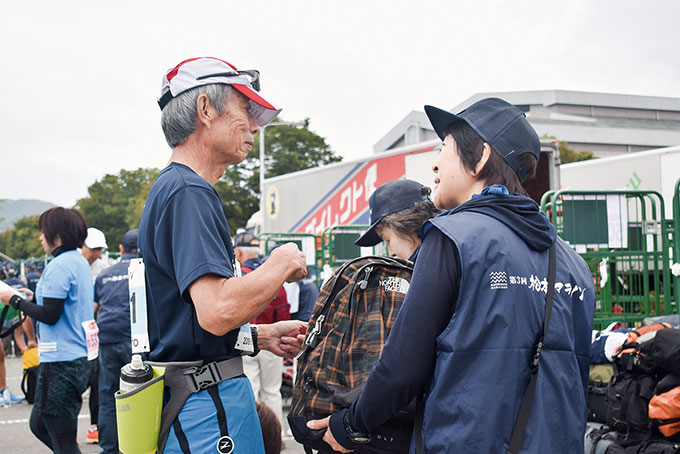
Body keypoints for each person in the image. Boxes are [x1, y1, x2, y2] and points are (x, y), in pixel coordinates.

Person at [308, 98, 595, 453]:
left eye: (444, 147)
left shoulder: (453, 237)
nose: (435, 163)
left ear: (481, 157)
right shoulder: (572, 263)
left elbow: (402, 368)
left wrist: (350, 425)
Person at [138, 56, 309, 453]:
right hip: (204, 405)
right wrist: (280, 263)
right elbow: (215, 312)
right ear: (205, 110)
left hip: (194, 398)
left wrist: (260, 335)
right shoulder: (189, 192)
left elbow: (185, 326)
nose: (253, 126)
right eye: (244, 110)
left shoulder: (173, 188)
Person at [0, 207, 95, 454]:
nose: (41, 237)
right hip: (78, 355)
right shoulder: (78, 261)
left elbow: (50, 316)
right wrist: (32, 297)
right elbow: (60, 304)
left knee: (62, 438)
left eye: (44, 232)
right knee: (40, 424)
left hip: (62, 360)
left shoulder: (59, 265)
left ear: (57, 234)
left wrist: (14, 300)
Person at [235, 232, 290, 429]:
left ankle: (255, 434)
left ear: (238, 252)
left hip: (245, 340)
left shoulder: (236, 276)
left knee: (251, 390)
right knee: (273, 391)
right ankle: (278, 435)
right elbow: (284, 314)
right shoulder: (273, 277)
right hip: (274, 342)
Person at [94, 229, 139, 454]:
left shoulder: (104, 275)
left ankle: (109, 449)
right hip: (136, 341)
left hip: (107, 338)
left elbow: (94, 311)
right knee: (143, 395)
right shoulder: (147, 271)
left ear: (121, 249)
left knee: (108, 396)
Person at [354, 179, 440, 262]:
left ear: (409, 225)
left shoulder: (432, 266)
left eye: (388, 240)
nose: (391, 253)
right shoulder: (445, 249)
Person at [81, 226, 107, 444]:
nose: (96, 253)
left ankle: (95, 426)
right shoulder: (74, 265)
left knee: (98, 381)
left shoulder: (103, 267)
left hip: (95, 333)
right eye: (93, 249)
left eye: (99, 249)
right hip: (74, 332)